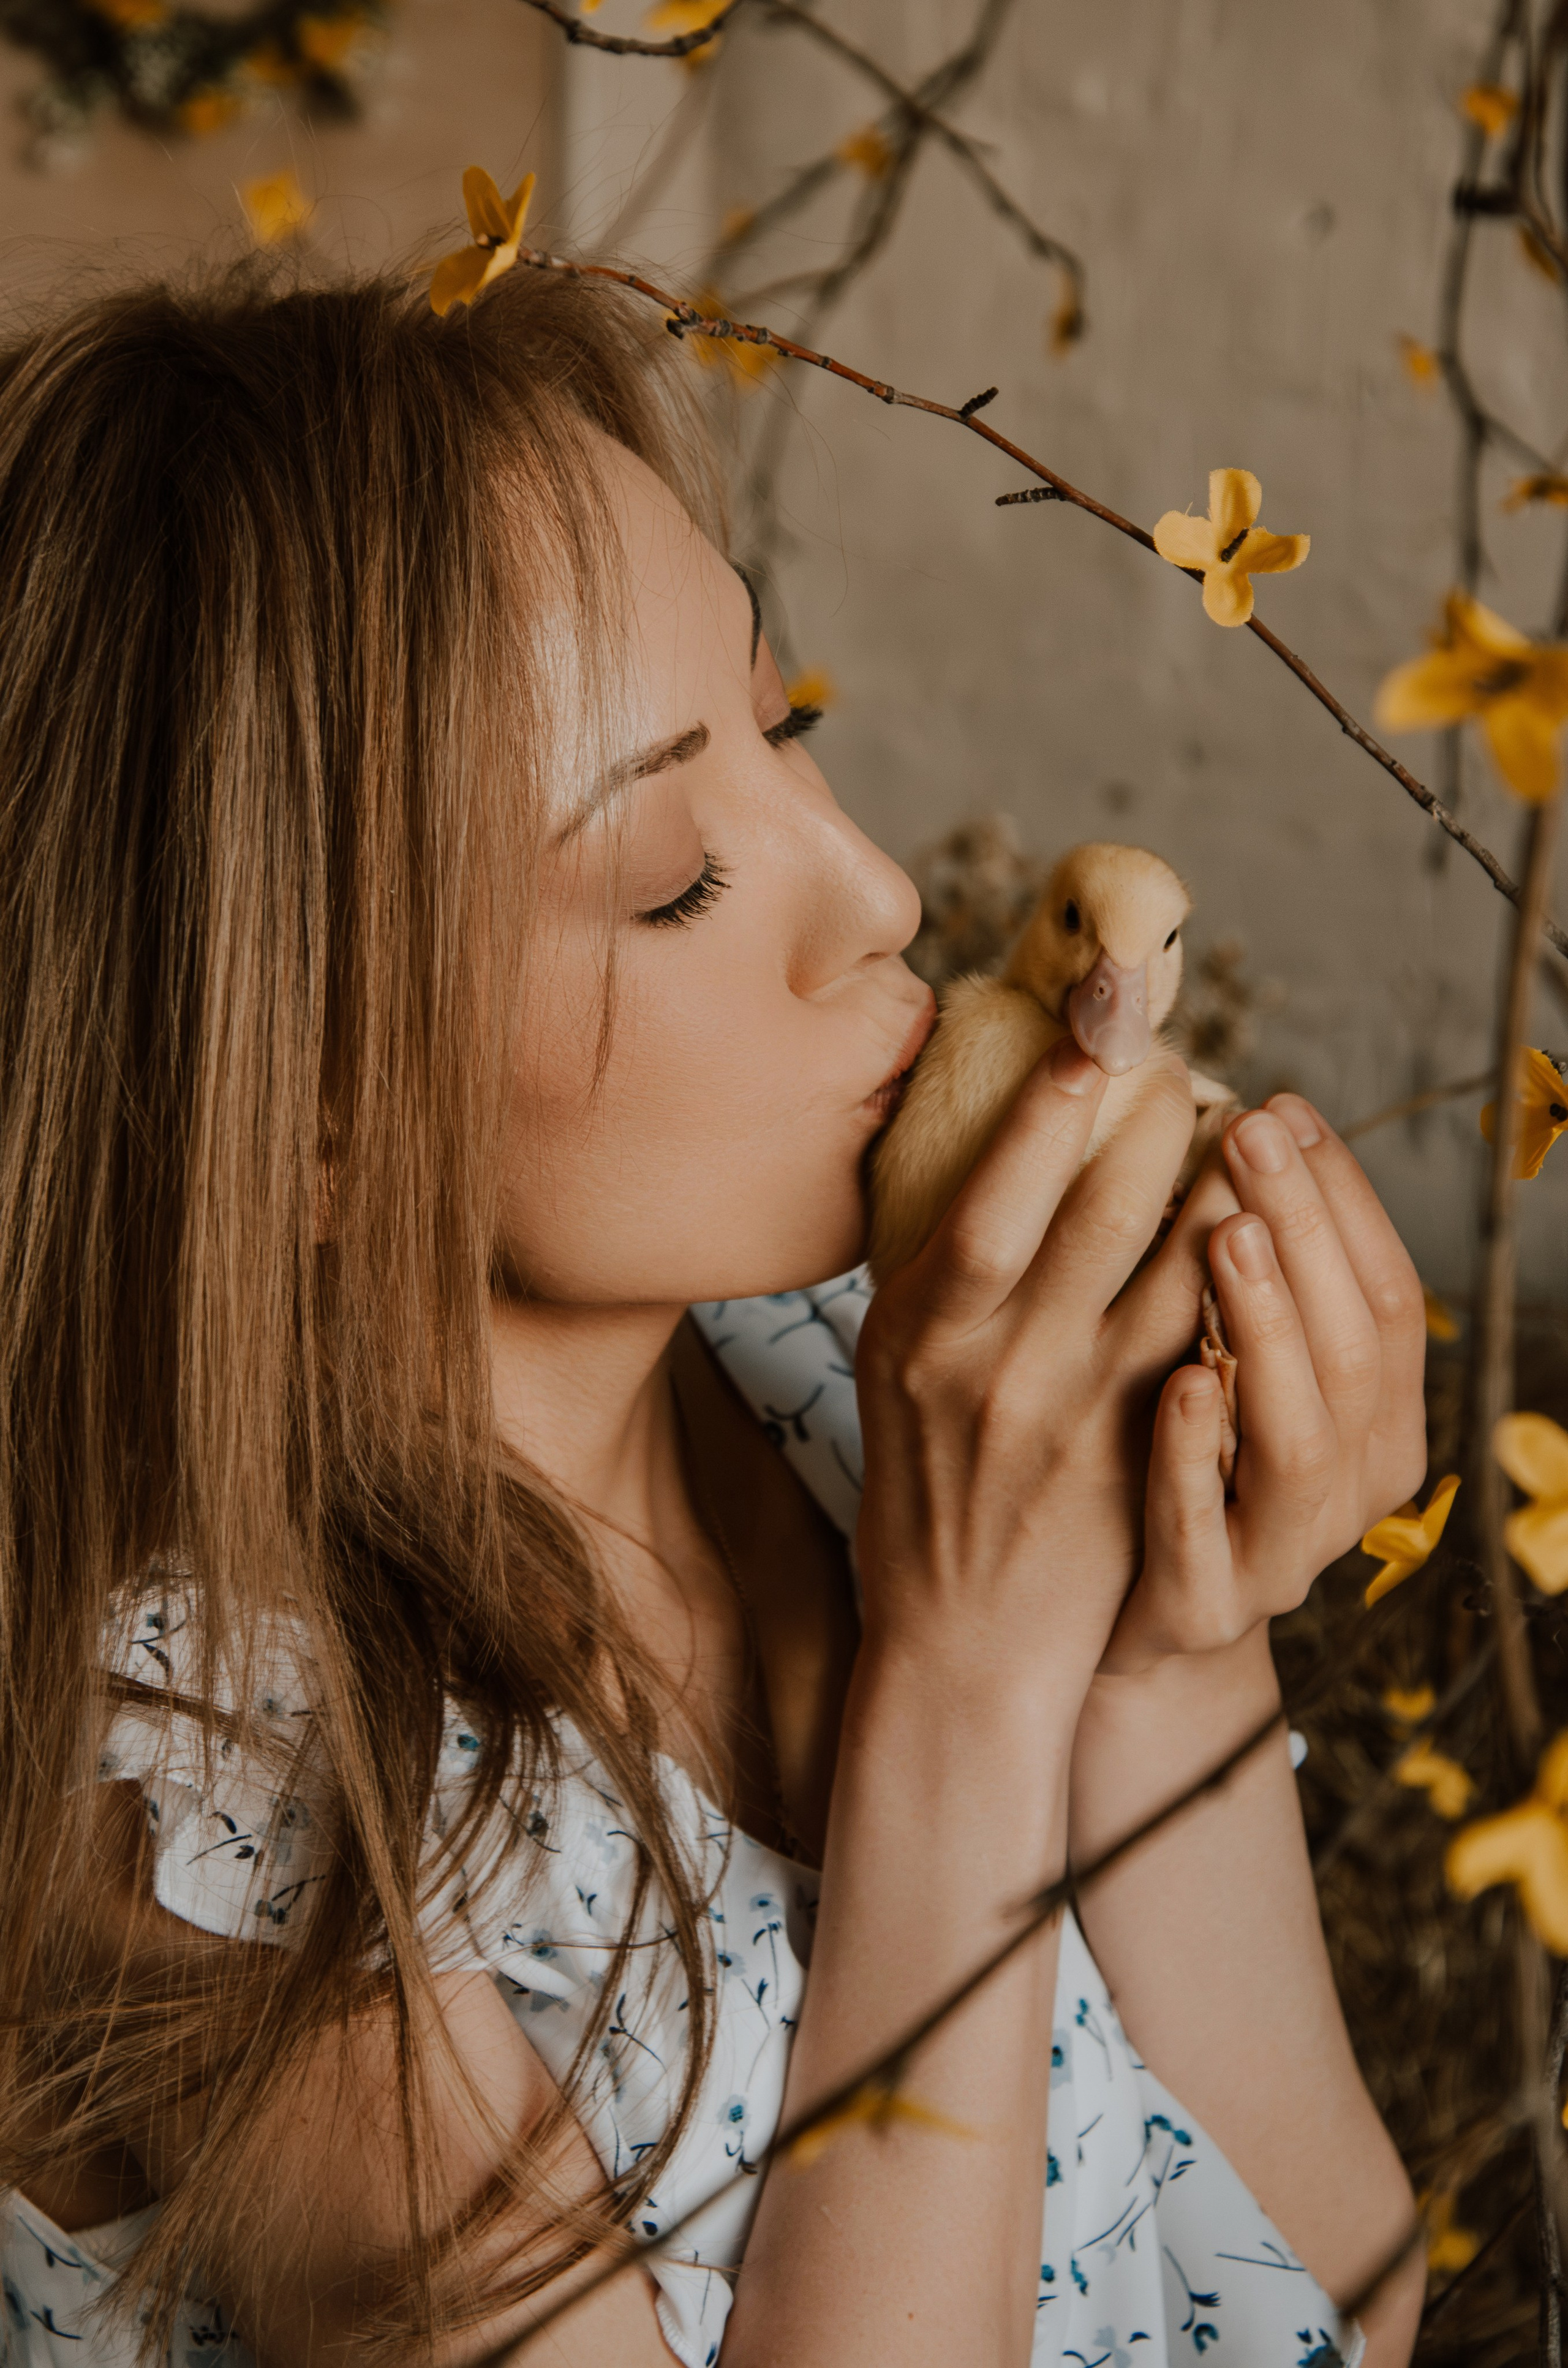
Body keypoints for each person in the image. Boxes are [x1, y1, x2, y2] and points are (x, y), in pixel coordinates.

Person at [0, 262, 1425, 2368]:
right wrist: (962, 1680)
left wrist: (1165, 1648)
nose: (878, 892)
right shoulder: (212, 1826)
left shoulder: (830, 1391)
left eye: (787, 729)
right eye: (674, 871)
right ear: (291, 1115)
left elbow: (1327, 2303)